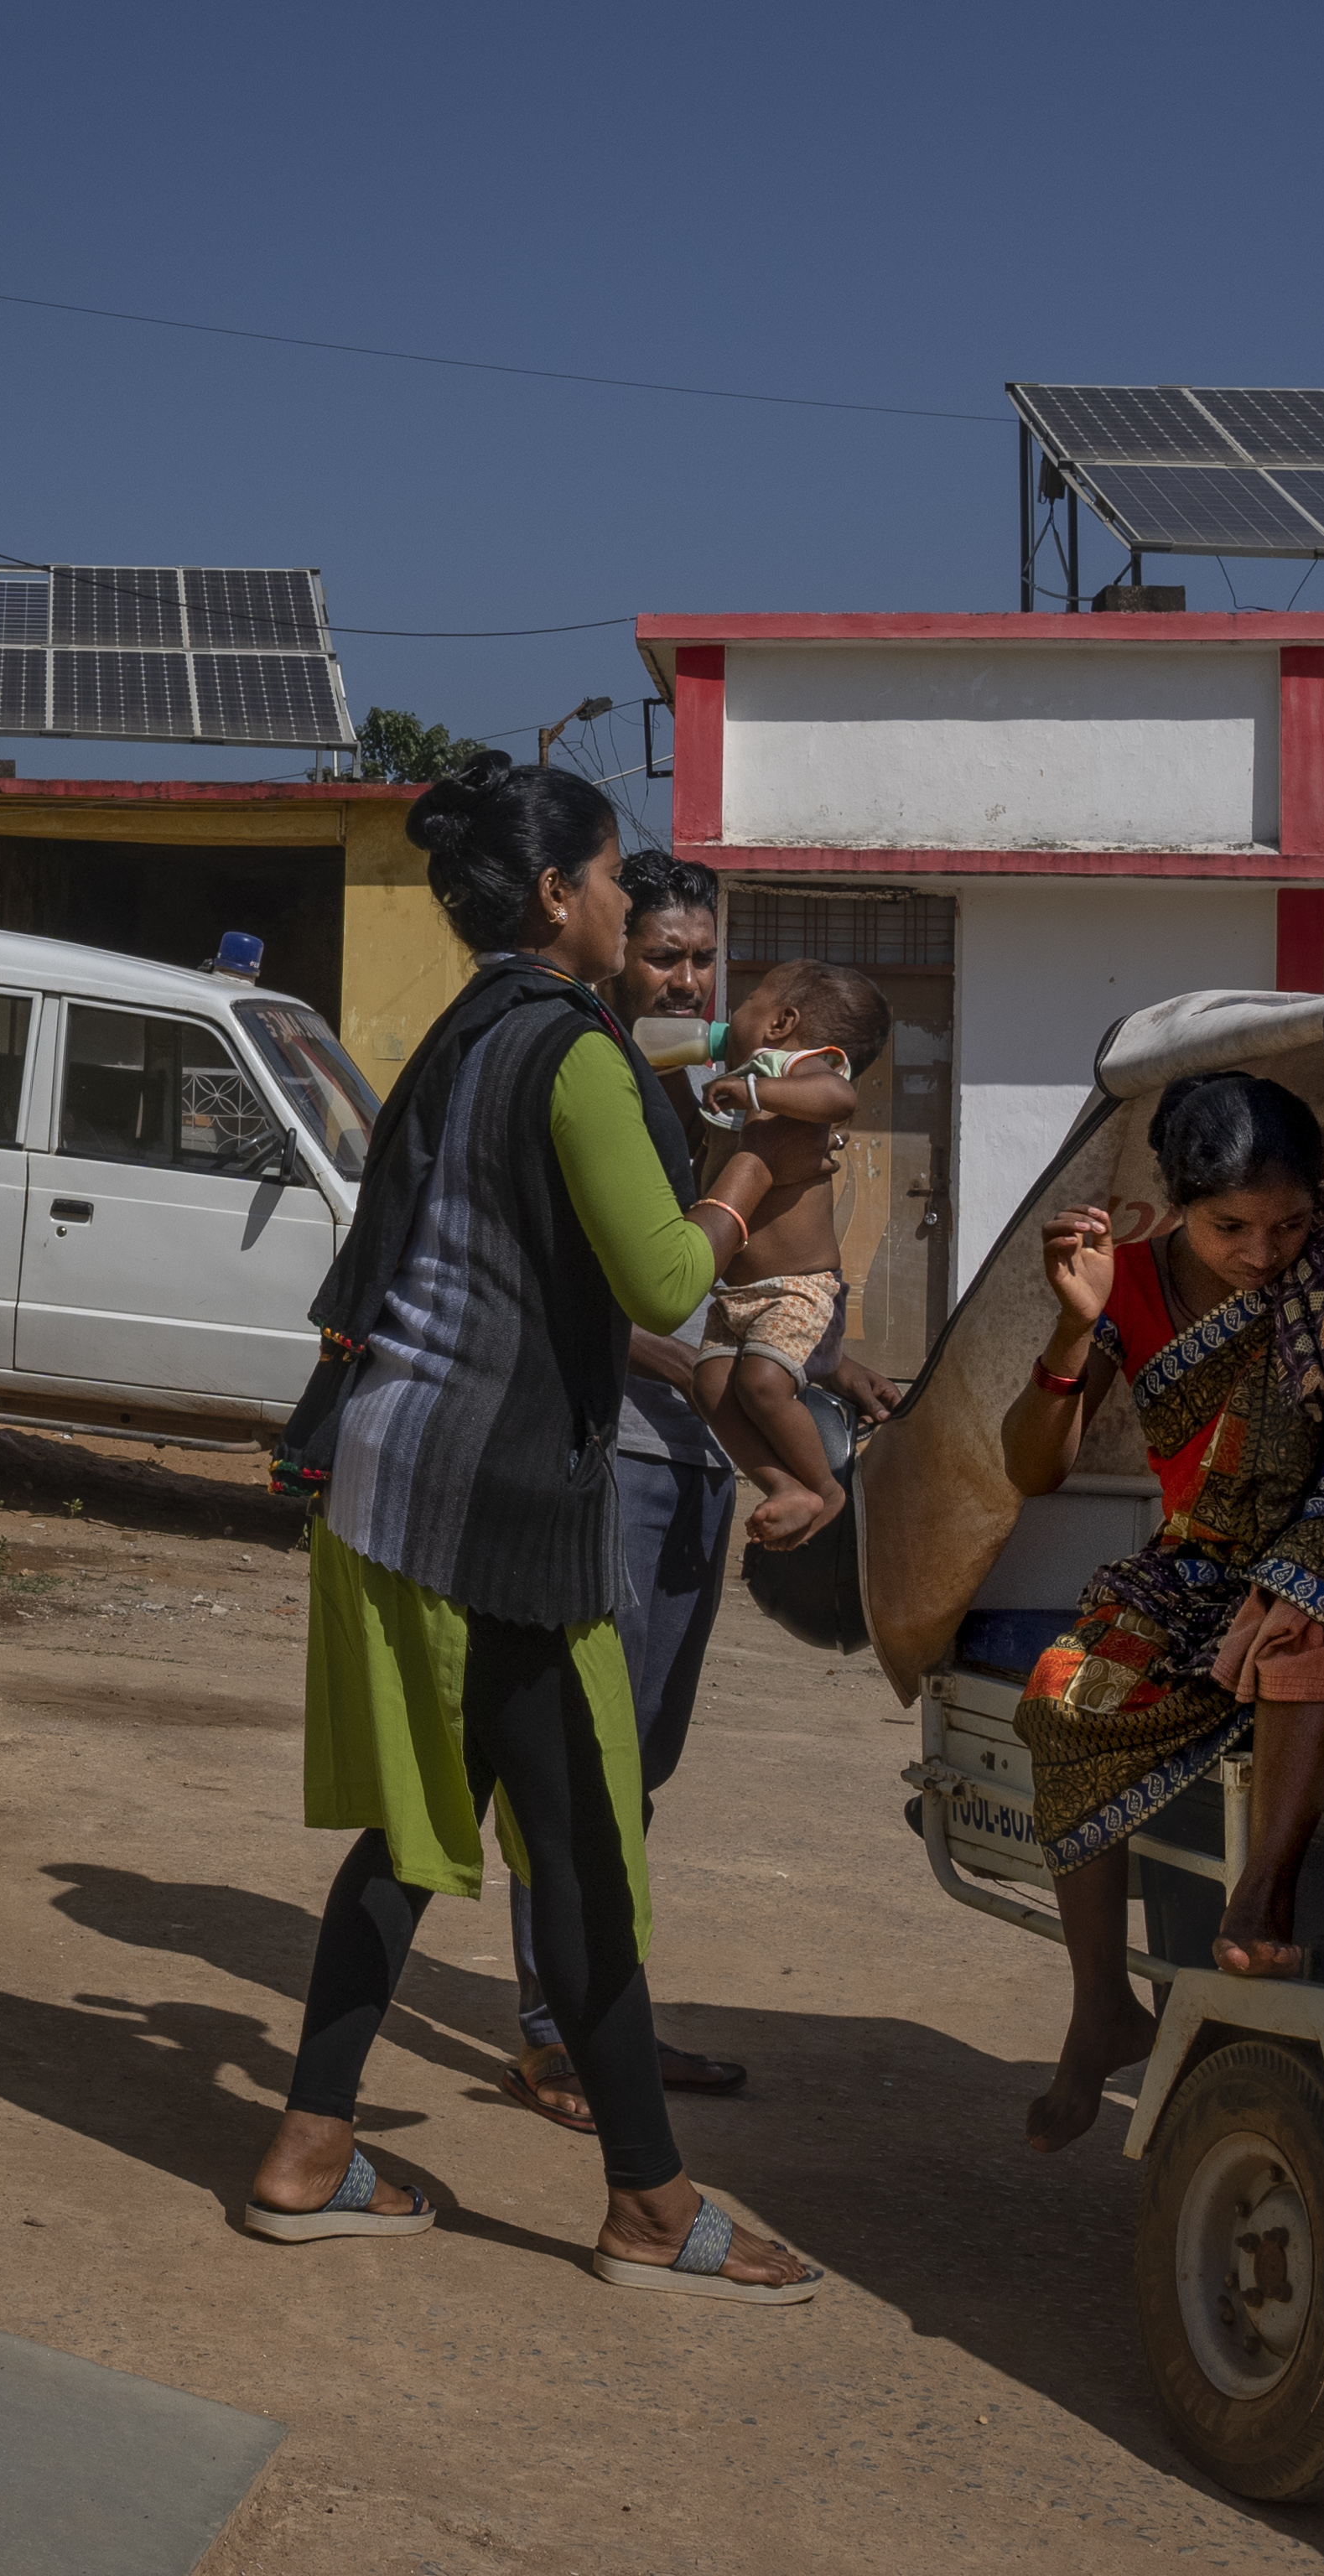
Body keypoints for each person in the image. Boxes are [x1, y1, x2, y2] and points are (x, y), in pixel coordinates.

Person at [250, 754, 825, 2302]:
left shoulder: (472, 1025)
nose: (635, 902)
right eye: (619, 875)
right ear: (560, 893)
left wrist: (726, 1079)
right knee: (575, 1855)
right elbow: (664, 1283)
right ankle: (650, 2204)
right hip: (496, 1495)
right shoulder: (567, 1050)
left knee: (412, 1831)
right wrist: (754, 1170)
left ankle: (307, 2148)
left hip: (387, 1472)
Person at [999, 1072, 1324, 2153]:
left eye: (1288, 1223)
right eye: (1230, 1226)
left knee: (1312, 1583)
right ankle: (1101, 2006)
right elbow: (1035, 1470)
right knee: (1064, 1694)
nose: (1263, 1252)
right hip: (1205, 1570)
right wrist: (1074, 1329)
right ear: (1178, 1203)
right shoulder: (1130, 1284)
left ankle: (1263, 1894)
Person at [493, 849, 752, 2135]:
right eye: (663, 956)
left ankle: (607, 2011)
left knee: (640, 1759)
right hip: (620, 1457)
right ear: (615, 952)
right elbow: (608, 1297)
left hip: (702, 1456)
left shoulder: (697, 1091)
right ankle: (557, 2030)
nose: (688, 979)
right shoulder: (595, 1064)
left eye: (703, 958)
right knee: (582, 1762)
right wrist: (704, 1361)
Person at [682, 959, 890, 1551]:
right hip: (739, 1293)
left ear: (781, 1023)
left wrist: (753, 1089)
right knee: (711, 1386)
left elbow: (839, 1095)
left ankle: (824, 1489)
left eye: (750, 998)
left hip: (797, 1287)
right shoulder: (746, 1081)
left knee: (762, 1384)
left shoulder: (791, 1067)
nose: (734, 1011)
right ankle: (782, 1484)